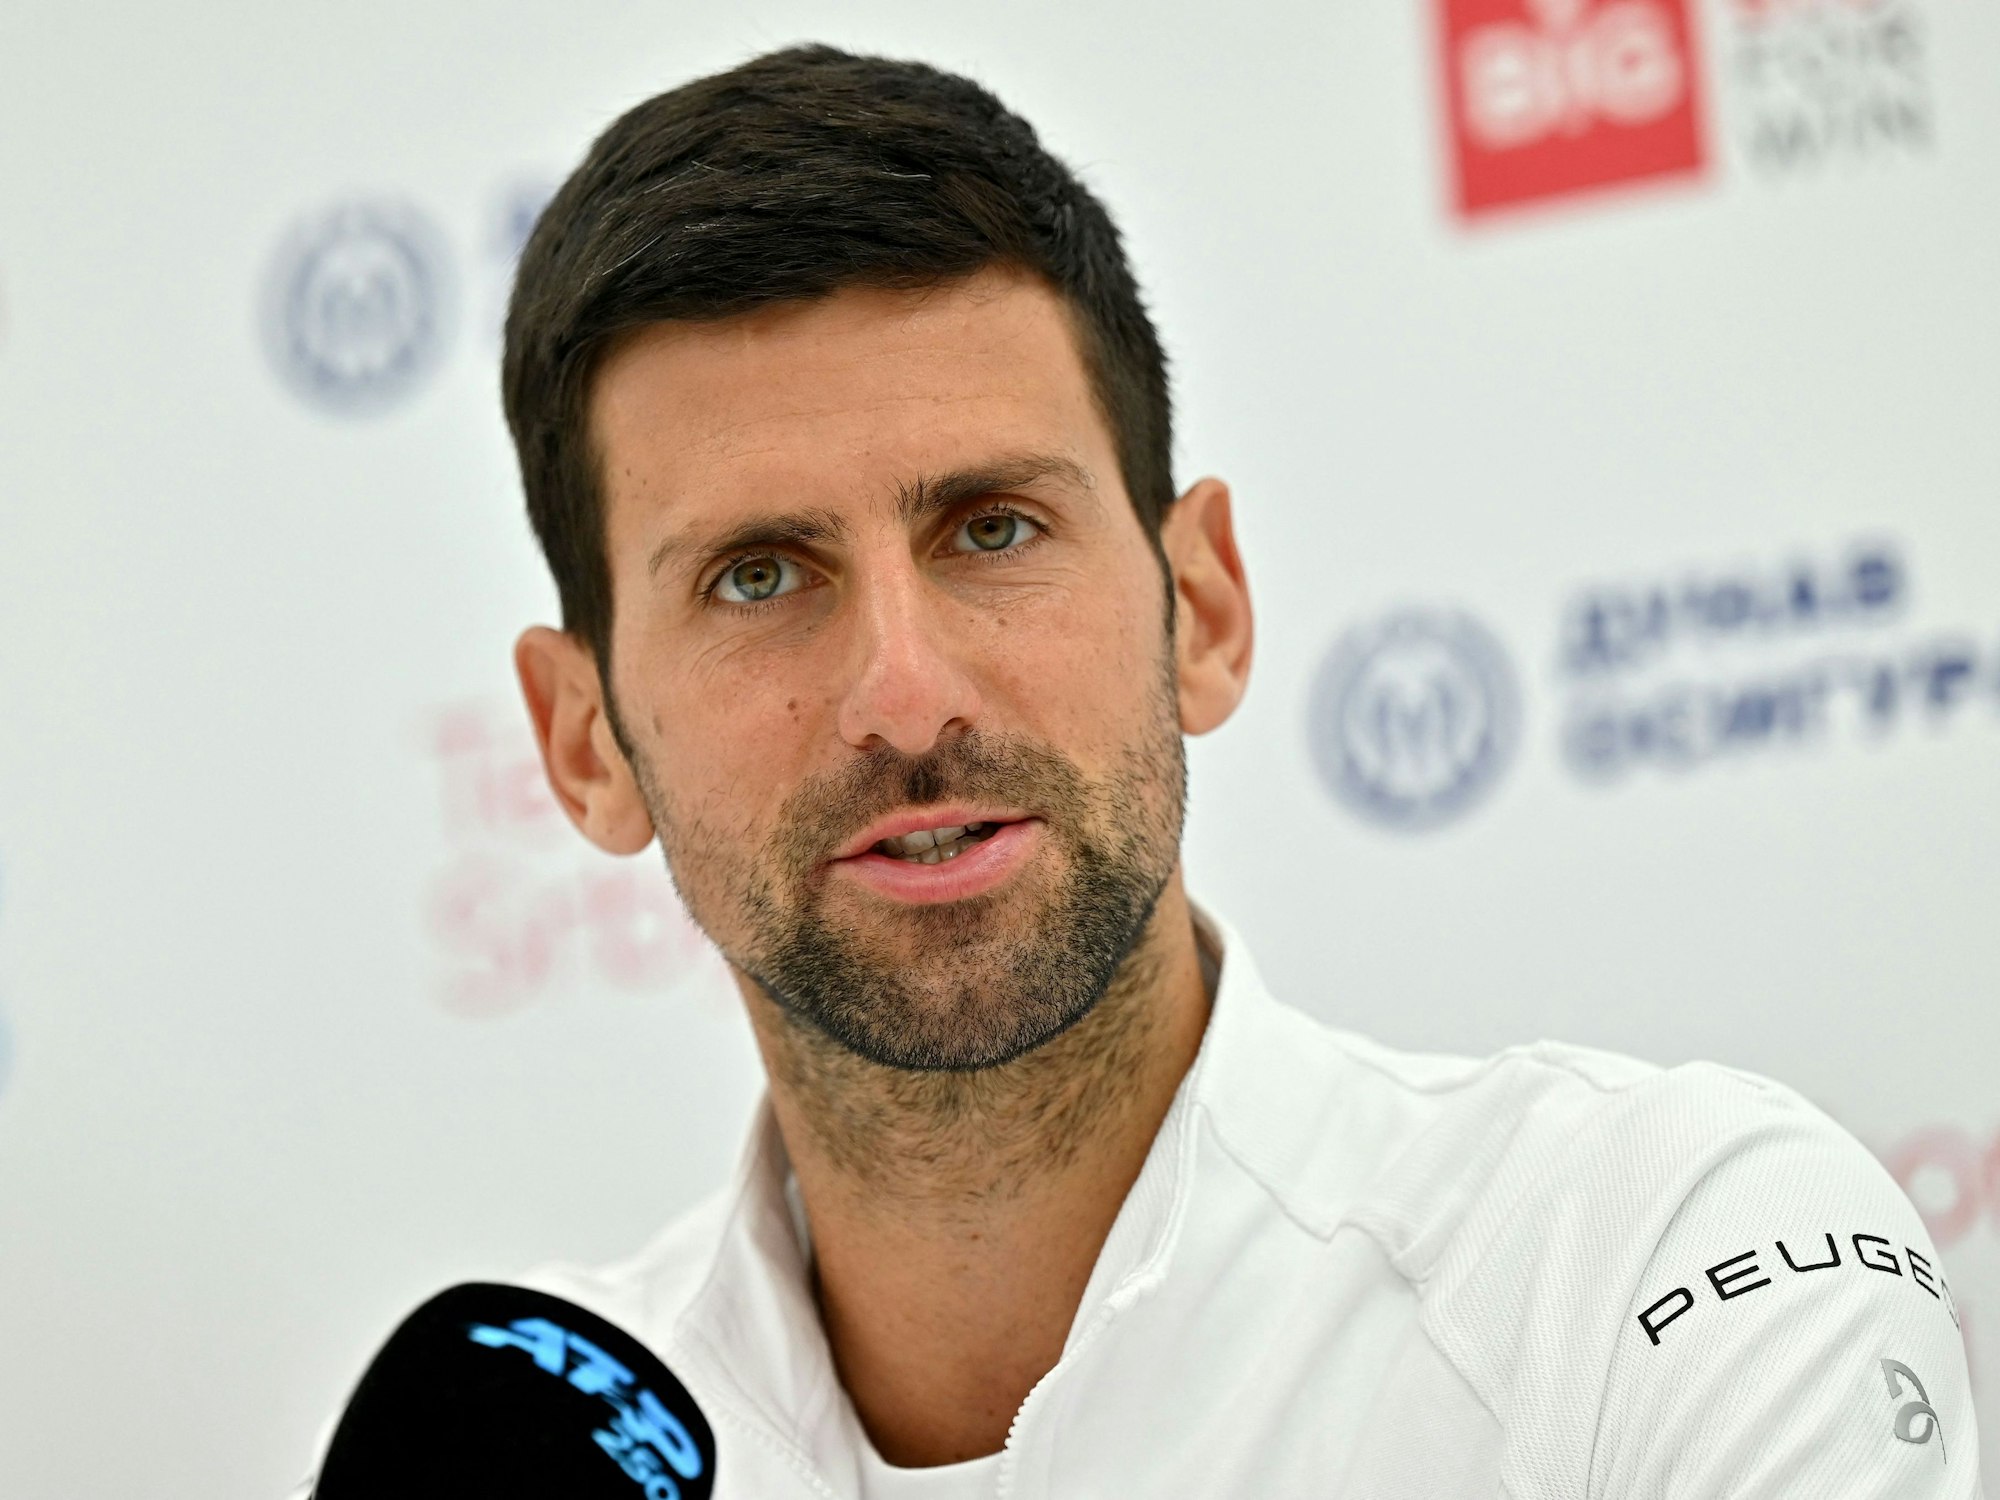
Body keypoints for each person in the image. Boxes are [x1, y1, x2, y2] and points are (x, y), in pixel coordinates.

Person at [298, 44, 1981, 1498]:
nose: (902, 694)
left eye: (993, 529)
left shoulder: (1644, 1271)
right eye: (759, 576)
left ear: (1203, 608)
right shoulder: (547, 1460)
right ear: (586, 745)